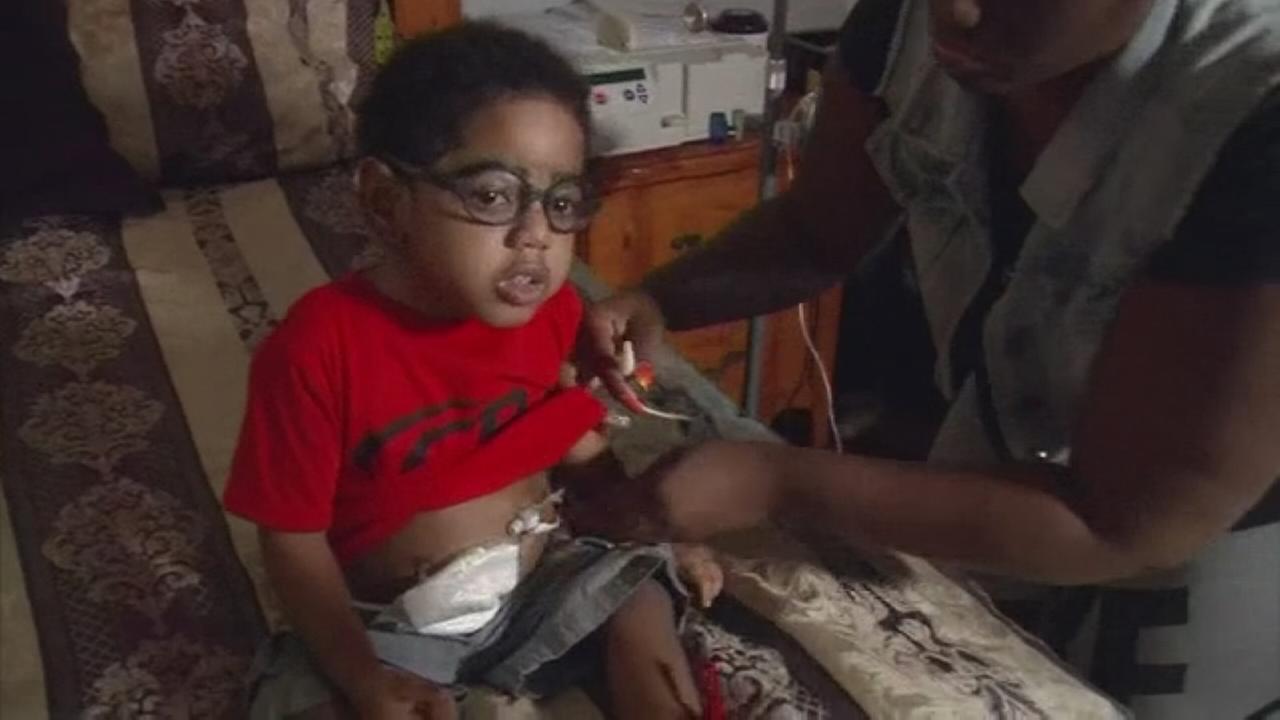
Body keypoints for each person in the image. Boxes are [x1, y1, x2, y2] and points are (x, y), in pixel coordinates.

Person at [582, 0, 1280, 717]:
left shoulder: (1252, 112)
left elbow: (1124, 525)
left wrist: (770, 480)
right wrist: (660, 299)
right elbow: (814, 231)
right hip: (1005, 473)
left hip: (1191, 548)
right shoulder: (905, 26)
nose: (954, 14)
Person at [223, 23, 723, 720]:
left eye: (562, 202)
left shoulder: (553, 314)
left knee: (637, 592)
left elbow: (570, 439)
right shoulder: (316, 348)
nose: (536, 236)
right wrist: (363, 677)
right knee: (298, 696)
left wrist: (648, 532)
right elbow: (291, 538)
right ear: (385, 200)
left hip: (537, 588)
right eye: (492, 196)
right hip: (390, 629)